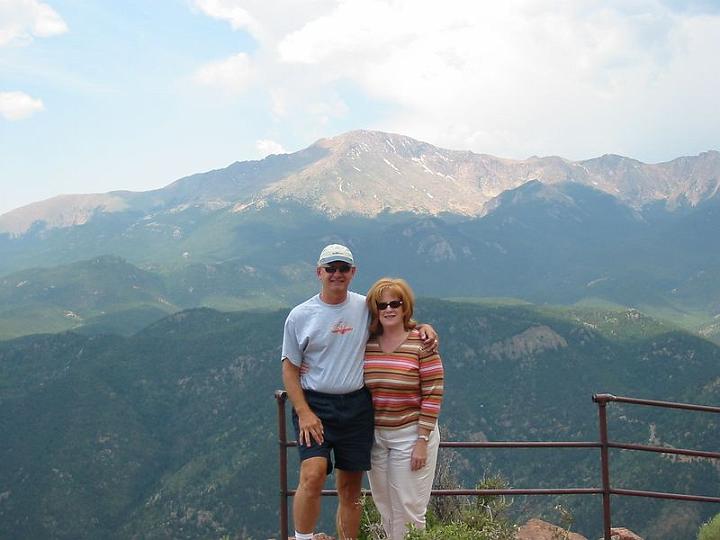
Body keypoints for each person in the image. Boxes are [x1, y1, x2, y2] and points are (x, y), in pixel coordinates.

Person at [281, 244, 438, 540]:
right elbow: (289, 369)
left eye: (343, 269)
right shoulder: (300, 316)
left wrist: (423, 328)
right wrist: (303, 412)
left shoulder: (364, 307)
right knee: (312, 474)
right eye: (331, 269)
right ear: (319, 273)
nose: (337, 274)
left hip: (356, 406)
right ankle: (302, 538)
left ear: (353, 273)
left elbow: (394, 320)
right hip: (315, 404)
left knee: (351, 488)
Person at [364, 278, 444, 540]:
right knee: (385, 506)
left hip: (410, 435)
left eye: (394, 303)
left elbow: (433, 393)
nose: (388, 309)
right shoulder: (366, 344)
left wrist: (422, 439)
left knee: (409, 508)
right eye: (382, 304)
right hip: (376, 437)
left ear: (404, 306)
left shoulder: (422, 344)